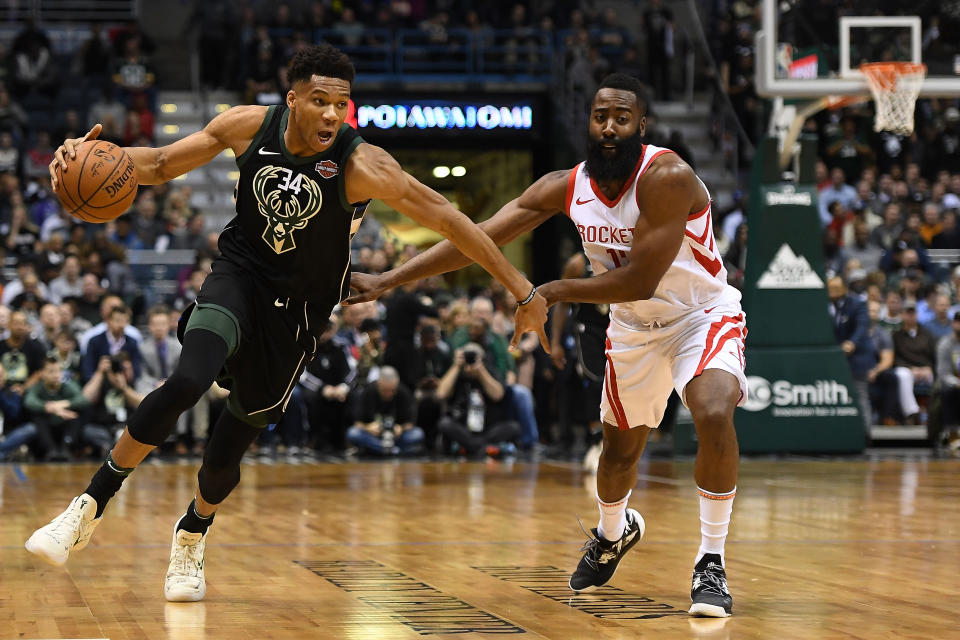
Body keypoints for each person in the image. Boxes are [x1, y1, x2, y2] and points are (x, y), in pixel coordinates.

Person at [26, 44, 548, 603]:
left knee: (227, 451)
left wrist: (523, 289)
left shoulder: (364, 165)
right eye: (319, 101)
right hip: (238, 276)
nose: (331, 114)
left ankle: (191, 535)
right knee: (187, 378)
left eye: (341, 104)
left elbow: (451, 220)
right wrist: (97, 154)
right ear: (292, 98)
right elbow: (155, 164)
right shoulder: (248, 127)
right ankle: (88, 505)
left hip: (299, 312)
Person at [349, 73, 745, 617]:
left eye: (621, 118)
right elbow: (477, 237)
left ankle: (711, 560)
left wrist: (547, 293)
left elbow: (639, 280)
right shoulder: (567, 184)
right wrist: (385, 280)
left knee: (714, 411)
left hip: (699, 315)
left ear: (641, 126)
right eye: (600, 116)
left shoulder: (667, 176)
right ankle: (612, 532)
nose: (609, 127)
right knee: (617, 456)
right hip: (631, 328)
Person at [436, 343, 519, 458]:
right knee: (444, 424)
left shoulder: (489, 372)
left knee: (513, 427)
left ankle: (472, 447)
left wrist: (480, 370)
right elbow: (440, 394)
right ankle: (483, 448)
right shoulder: (457, 373)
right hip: (464, 428)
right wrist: (456, 366)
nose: (470, 361)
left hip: (488, 428)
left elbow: (497, 395)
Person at [23, 357, 90, 461]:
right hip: (47, 429)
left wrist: (64, 404)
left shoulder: (67, 386)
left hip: (64, 427)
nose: (56, 375)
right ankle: (51, 450)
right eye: (51, 371)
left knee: (75, 415)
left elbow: (83, 400)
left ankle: (66, 448)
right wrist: (53, 409)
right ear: (42, 373)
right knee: (37, 417)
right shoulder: (38, 387)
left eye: (58, 371)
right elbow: (29, 401)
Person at [345, 366, 422, 455]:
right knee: (353, 433)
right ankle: (393, 450)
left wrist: (400, 428)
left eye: (392, 391)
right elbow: (357, 423)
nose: (388, 394)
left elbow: (410, 423)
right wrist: (368, 428)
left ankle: (377, 450)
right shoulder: (368, 392)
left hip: (395, 437)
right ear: (378, 384)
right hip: (374, 436)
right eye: (385, 390)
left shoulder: (404, 392)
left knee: (418, 433)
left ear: (397, 384)